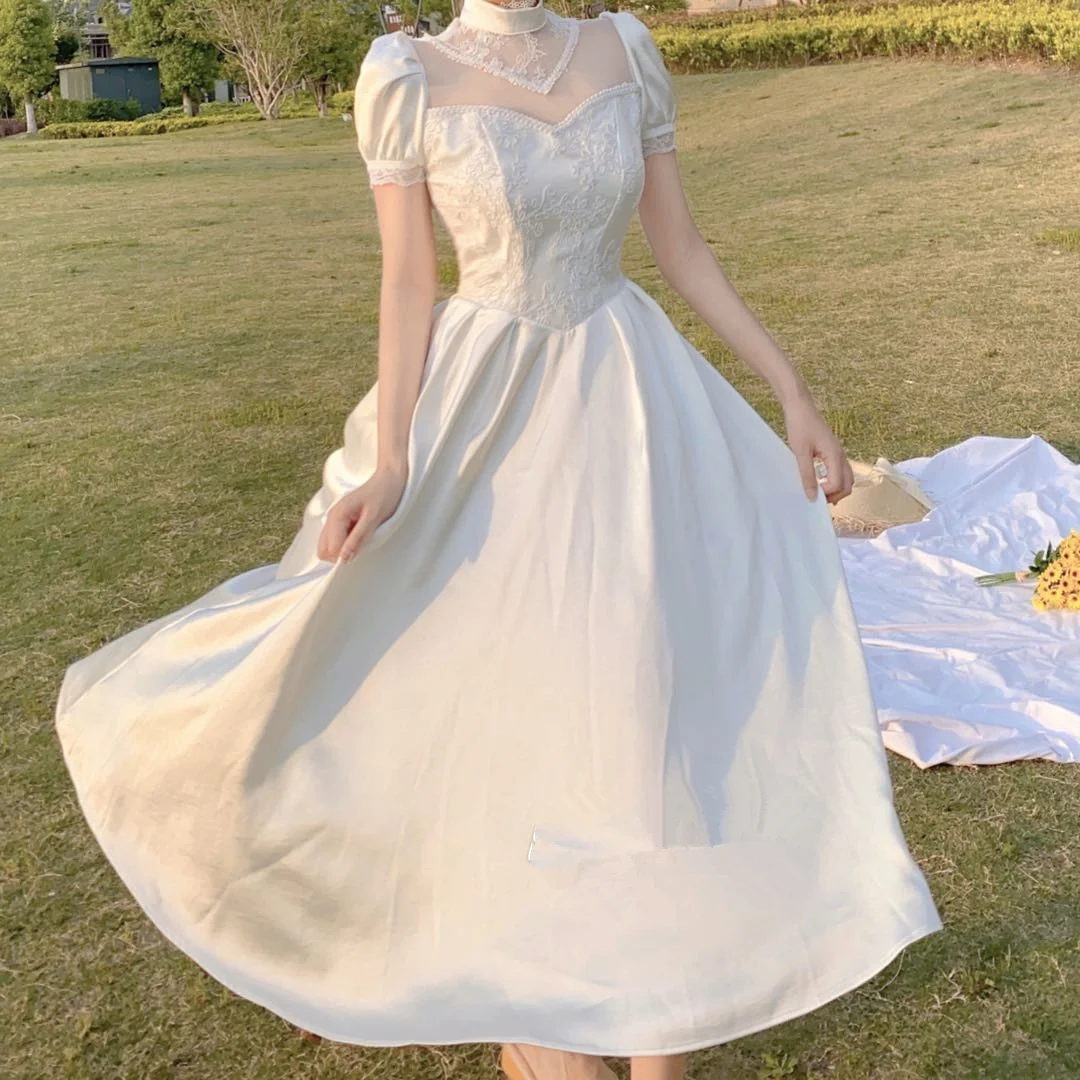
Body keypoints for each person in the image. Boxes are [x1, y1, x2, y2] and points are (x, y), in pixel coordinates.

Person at [54, 1, 942, 1078]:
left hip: (630, 409)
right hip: (487, 419)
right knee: (497, 708)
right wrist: (392, 459)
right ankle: (529, 1004)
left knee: (640, 707)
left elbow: (680, 244)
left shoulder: (623, 48)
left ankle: (653, 1013)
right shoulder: (406, 74)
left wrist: (790, 390)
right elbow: (407, 279)